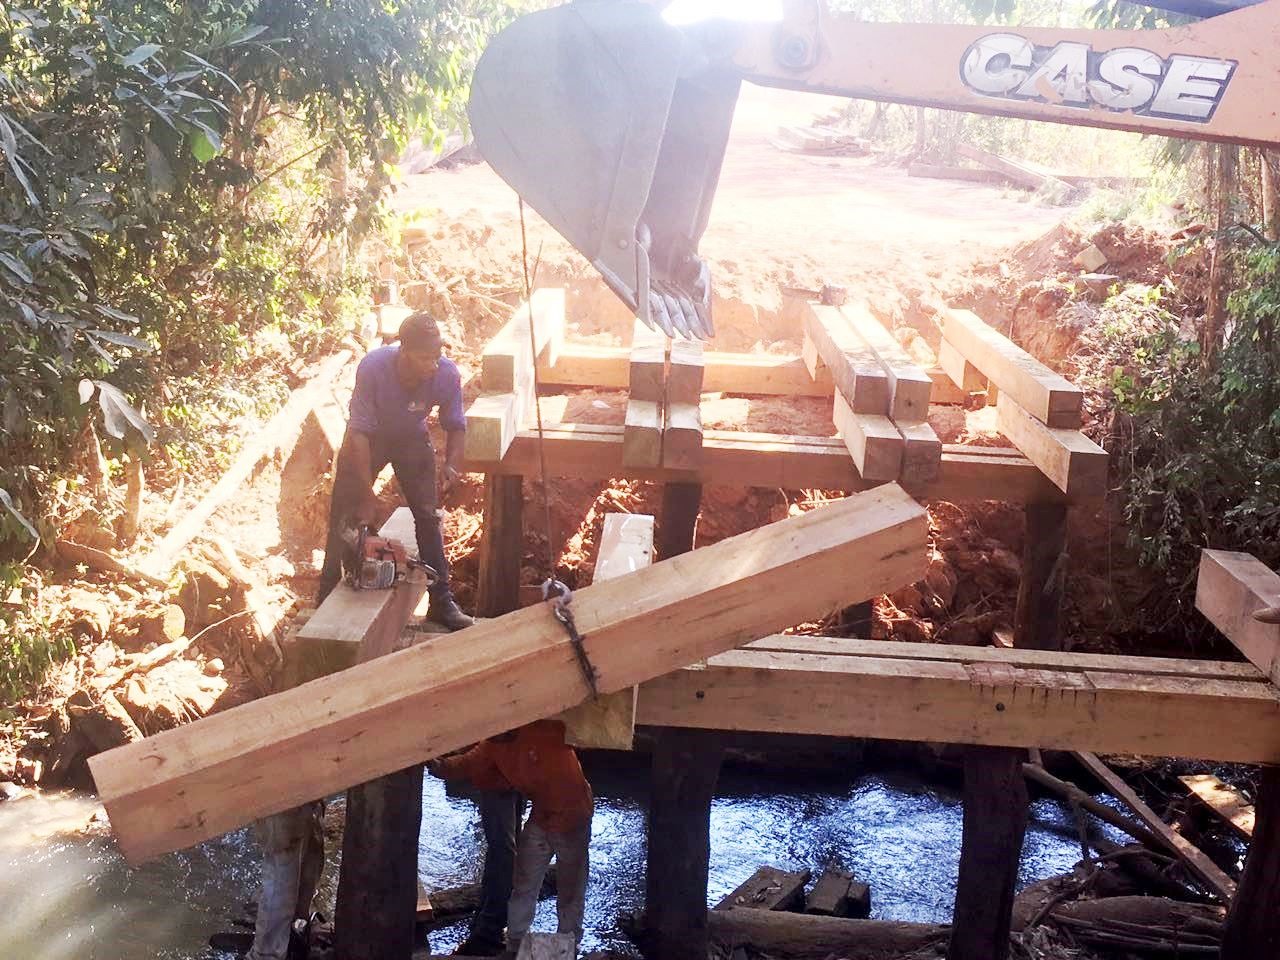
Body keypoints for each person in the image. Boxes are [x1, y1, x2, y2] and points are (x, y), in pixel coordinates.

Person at [318, 312, 473, 630]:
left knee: (428, 517)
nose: (432, 365)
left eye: (437, 356)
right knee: (344, 513)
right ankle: (325, 598)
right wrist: (366, 495)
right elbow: (359, 432)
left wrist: (452, 466)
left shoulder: (445, 374)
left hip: (411, 438)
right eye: (424, 358)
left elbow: (456, 426)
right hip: (369, 440)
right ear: (404, 351)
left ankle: (441, 602)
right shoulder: (374, 367)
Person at [429, 720, 593, 953]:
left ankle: (568, 945)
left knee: (571, 890)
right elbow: (464, 764)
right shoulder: (491, 746)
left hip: (573, 819)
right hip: (541, 817)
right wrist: (433, 764)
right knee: (523, 883)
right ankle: (514, 944)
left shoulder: (546, 727)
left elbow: (587, 729)